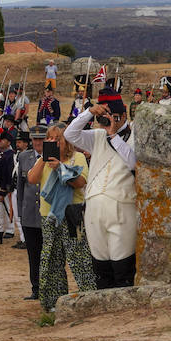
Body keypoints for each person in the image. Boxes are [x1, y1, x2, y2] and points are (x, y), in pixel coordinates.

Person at [66, 98, 136, 289]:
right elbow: (70, 134)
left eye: (113, 116)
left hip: (122, 207)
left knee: (122, 265)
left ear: (123, 116)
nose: (108, 120)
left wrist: (113, 135)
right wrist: (89, 112)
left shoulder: (134, 136)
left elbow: (133, 162)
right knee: (101, 266)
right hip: (94, 209)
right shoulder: (97, 136)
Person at [29, 122, 96, 311]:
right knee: (51, 258)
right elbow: (32, 179)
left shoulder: (77, 157)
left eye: (56, 138)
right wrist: (44, 159)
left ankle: (90, 298)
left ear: (66, 141)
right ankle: (53, 303)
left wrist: (60, 168)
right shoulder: (43, 160)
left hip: (72, 214)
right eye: (49, 138)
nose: (51, 141)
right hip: (49, 216)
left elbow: (81, 182)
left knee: (80, 257)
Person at [13, 130, 43, 298]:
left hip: (47, 213)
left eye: (41, 139)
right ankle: (36, 288)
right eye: (35, 139)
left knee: (50, 254)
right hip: (29, 212)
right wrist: (21, 211)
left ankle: (49, 287)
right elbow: (20, 186)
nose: (38, 143)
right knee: (33, 254)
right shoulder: (24, 157)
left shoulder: (53, 155)